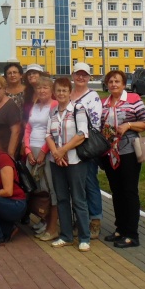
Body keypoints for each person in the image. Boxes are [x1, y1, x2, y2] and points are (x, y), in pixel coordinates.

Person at [99, 70, 145, 249]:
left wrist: (128, 125)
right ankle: (120, 228)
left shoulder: (133, 99)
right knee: (116, 191)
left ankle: (132, 234)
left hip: (129, 151)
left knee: (129, 191)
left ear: (124, 84)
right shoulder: (104, 103)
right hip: (110, 153)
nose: (113, 84)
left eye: (117, 81)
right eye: (110, 81)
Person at [46, 75, 92, 251]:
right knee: (62, 198)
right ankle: (66, 235)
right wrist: (56, 153)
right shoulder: (53, 112)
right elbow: (48, 135)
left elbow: (82, 134)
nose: (61, 93)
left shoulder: (78, 109)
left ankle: (84, 237)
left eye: (64, 90)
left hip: (75, 161)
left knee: (79, 199)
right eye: (58, 90)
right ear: (54, 93)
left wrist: (63, 150)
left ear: (70, 92)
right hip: (56, 161)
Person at [69, 61, 104, 236]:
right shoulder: (68, 94)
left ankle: (95, 219)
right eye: (78, 74)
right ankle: (80, 219)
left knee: (89, 182)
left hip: (86, 147)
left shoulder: (93, 96)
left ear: (89, 77)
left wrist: (79, 138)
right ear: (73, 75)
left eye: (84, 74)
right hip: (69, 145)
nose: (81, 77)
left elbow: (96, 123)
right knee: (75, 185)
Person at [23, 75, 59, 239]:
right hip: (32, 151)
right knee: (35, 188)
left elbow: (53, 130)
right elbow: (28, 129)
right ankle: (42, 219)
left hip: (47, 151)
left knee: (49, 188)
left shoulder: (54, 105)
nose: (42, 90)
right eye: (39, 88)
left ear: (51, 90)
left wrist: (44, 152)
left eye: (45, 88)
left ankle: (52, 225)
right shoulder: (35, 106)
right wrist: (28, 150)